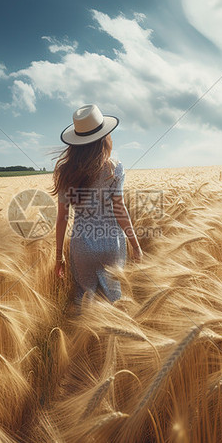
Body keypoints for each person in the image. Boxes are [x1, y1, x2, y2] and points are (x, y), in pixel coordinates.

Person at [51, 104, 143, 309]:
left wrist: (59, 256)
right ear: (104, 138)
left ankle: (84, 341)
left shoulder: (65, 172)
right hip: (111, 245)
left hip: (81, 246)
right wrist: (136, 246)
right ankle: (113, 340)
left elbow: (62, 218)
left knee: (84, 302)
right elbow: (120, 209)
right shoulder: (114, 168)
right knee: (114, 302)